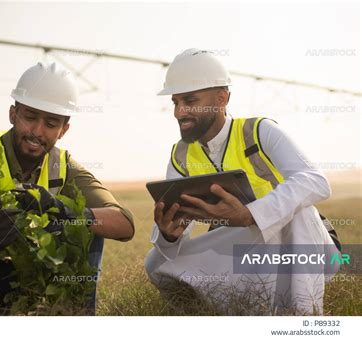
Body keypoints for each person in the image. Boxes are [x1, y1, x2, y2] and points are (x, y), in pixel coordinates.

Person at [0, 62, 135, 315]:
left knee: (88, 226)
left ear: (64, 130)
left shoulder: (63, 166)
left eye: (51, 124)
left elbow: (124, 223)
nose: (37, 132)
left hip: (21, 277)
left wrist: (61, 210)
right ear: (13, 114)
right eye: (30, 117)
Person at [144, 49, 339, 315]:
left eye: (190, 100)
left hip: (307, 248)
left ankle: (302, 318)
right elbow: (174, 239)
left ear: (221, 98)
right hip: (249, 253)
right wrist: (169, 233)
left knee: (297, 212)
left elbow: (315, 181)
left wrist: (250, 214)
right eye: (175, 102)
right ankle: (209, 311)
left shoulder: (259, 131)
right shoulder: (181, 155)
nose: (180, 112)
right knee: (156, 261)